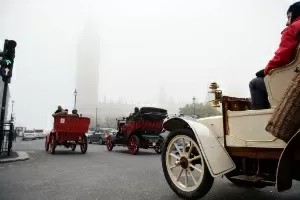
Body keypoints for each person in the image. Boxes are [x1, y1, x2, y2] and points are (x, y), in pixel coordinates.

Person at [249, 2, 300, 109]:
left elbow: (282, 57)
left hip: (295, 85)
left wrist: (266, 70)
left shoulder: (293, 29)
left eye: (289, 17)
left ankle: (264, 120)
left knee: (255, 83)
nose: (287, 22)